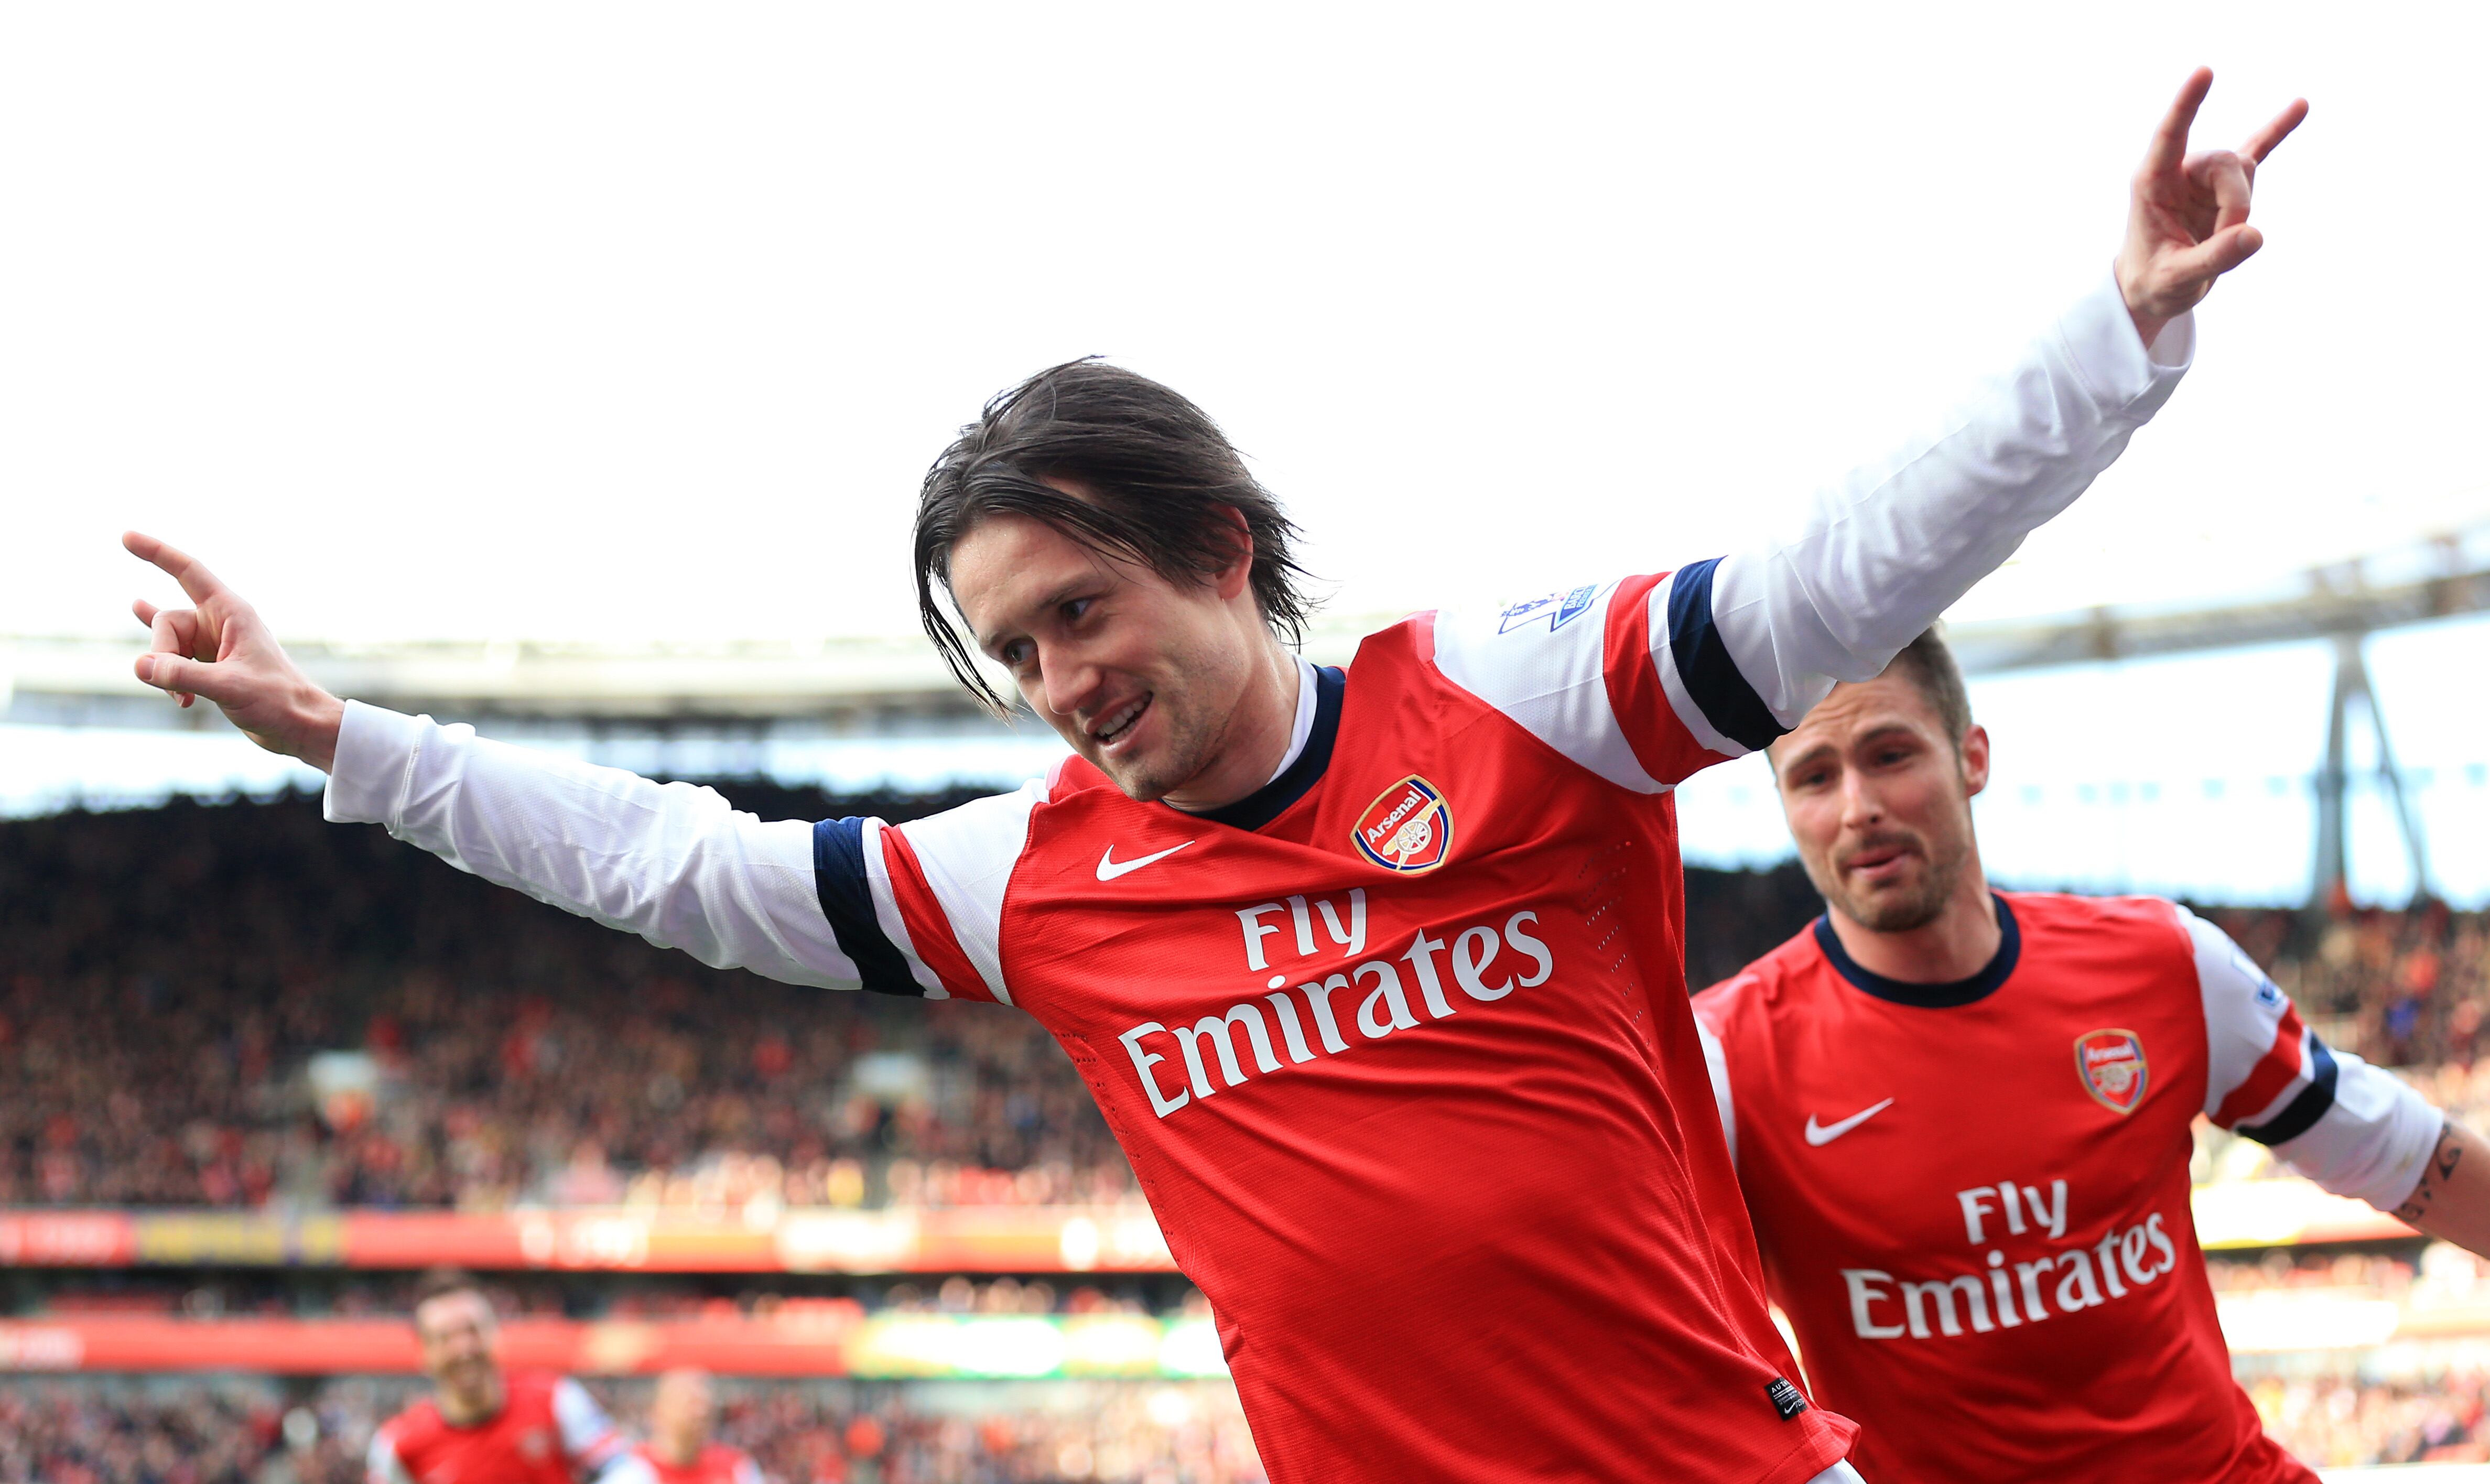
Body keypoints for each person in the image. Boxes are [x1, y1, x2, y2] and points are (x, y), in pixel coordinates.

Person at [129, 70, 2299, 1484]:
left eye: (1082, 607)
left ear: (1221, 547)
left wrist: (2110, 336)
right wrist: (346, 737)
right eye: (1014, 649)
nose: (1061, 680)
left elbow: (1838, 575)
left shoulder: (1518, 704)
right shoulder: (1032, 877)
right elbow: (682, 868)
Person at [1692, 629, 2490, 1482]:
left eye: (1889, 754)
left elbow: (2400, 1151)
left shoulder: (2164, 962)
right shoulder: (1725, 1057)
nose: (1857, 804)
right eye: (1814, 777)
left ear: (1972, 757)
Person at [367, 1270, 641, 1484]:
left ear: (495, 1334)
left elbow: (627, 1473)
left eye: (472, 1330)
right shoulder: (398, 1446)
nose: (464, 1349)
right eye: (445, 1338)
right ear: (424, 1353)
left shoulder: (555, 1400)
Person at [630, 1371, 761, 1484]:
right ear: (658, 1411)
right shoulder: (634, 1469)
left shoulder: (737, 1467)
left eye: (705, 1404)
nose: (701, 1413)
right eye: (691, 1403)